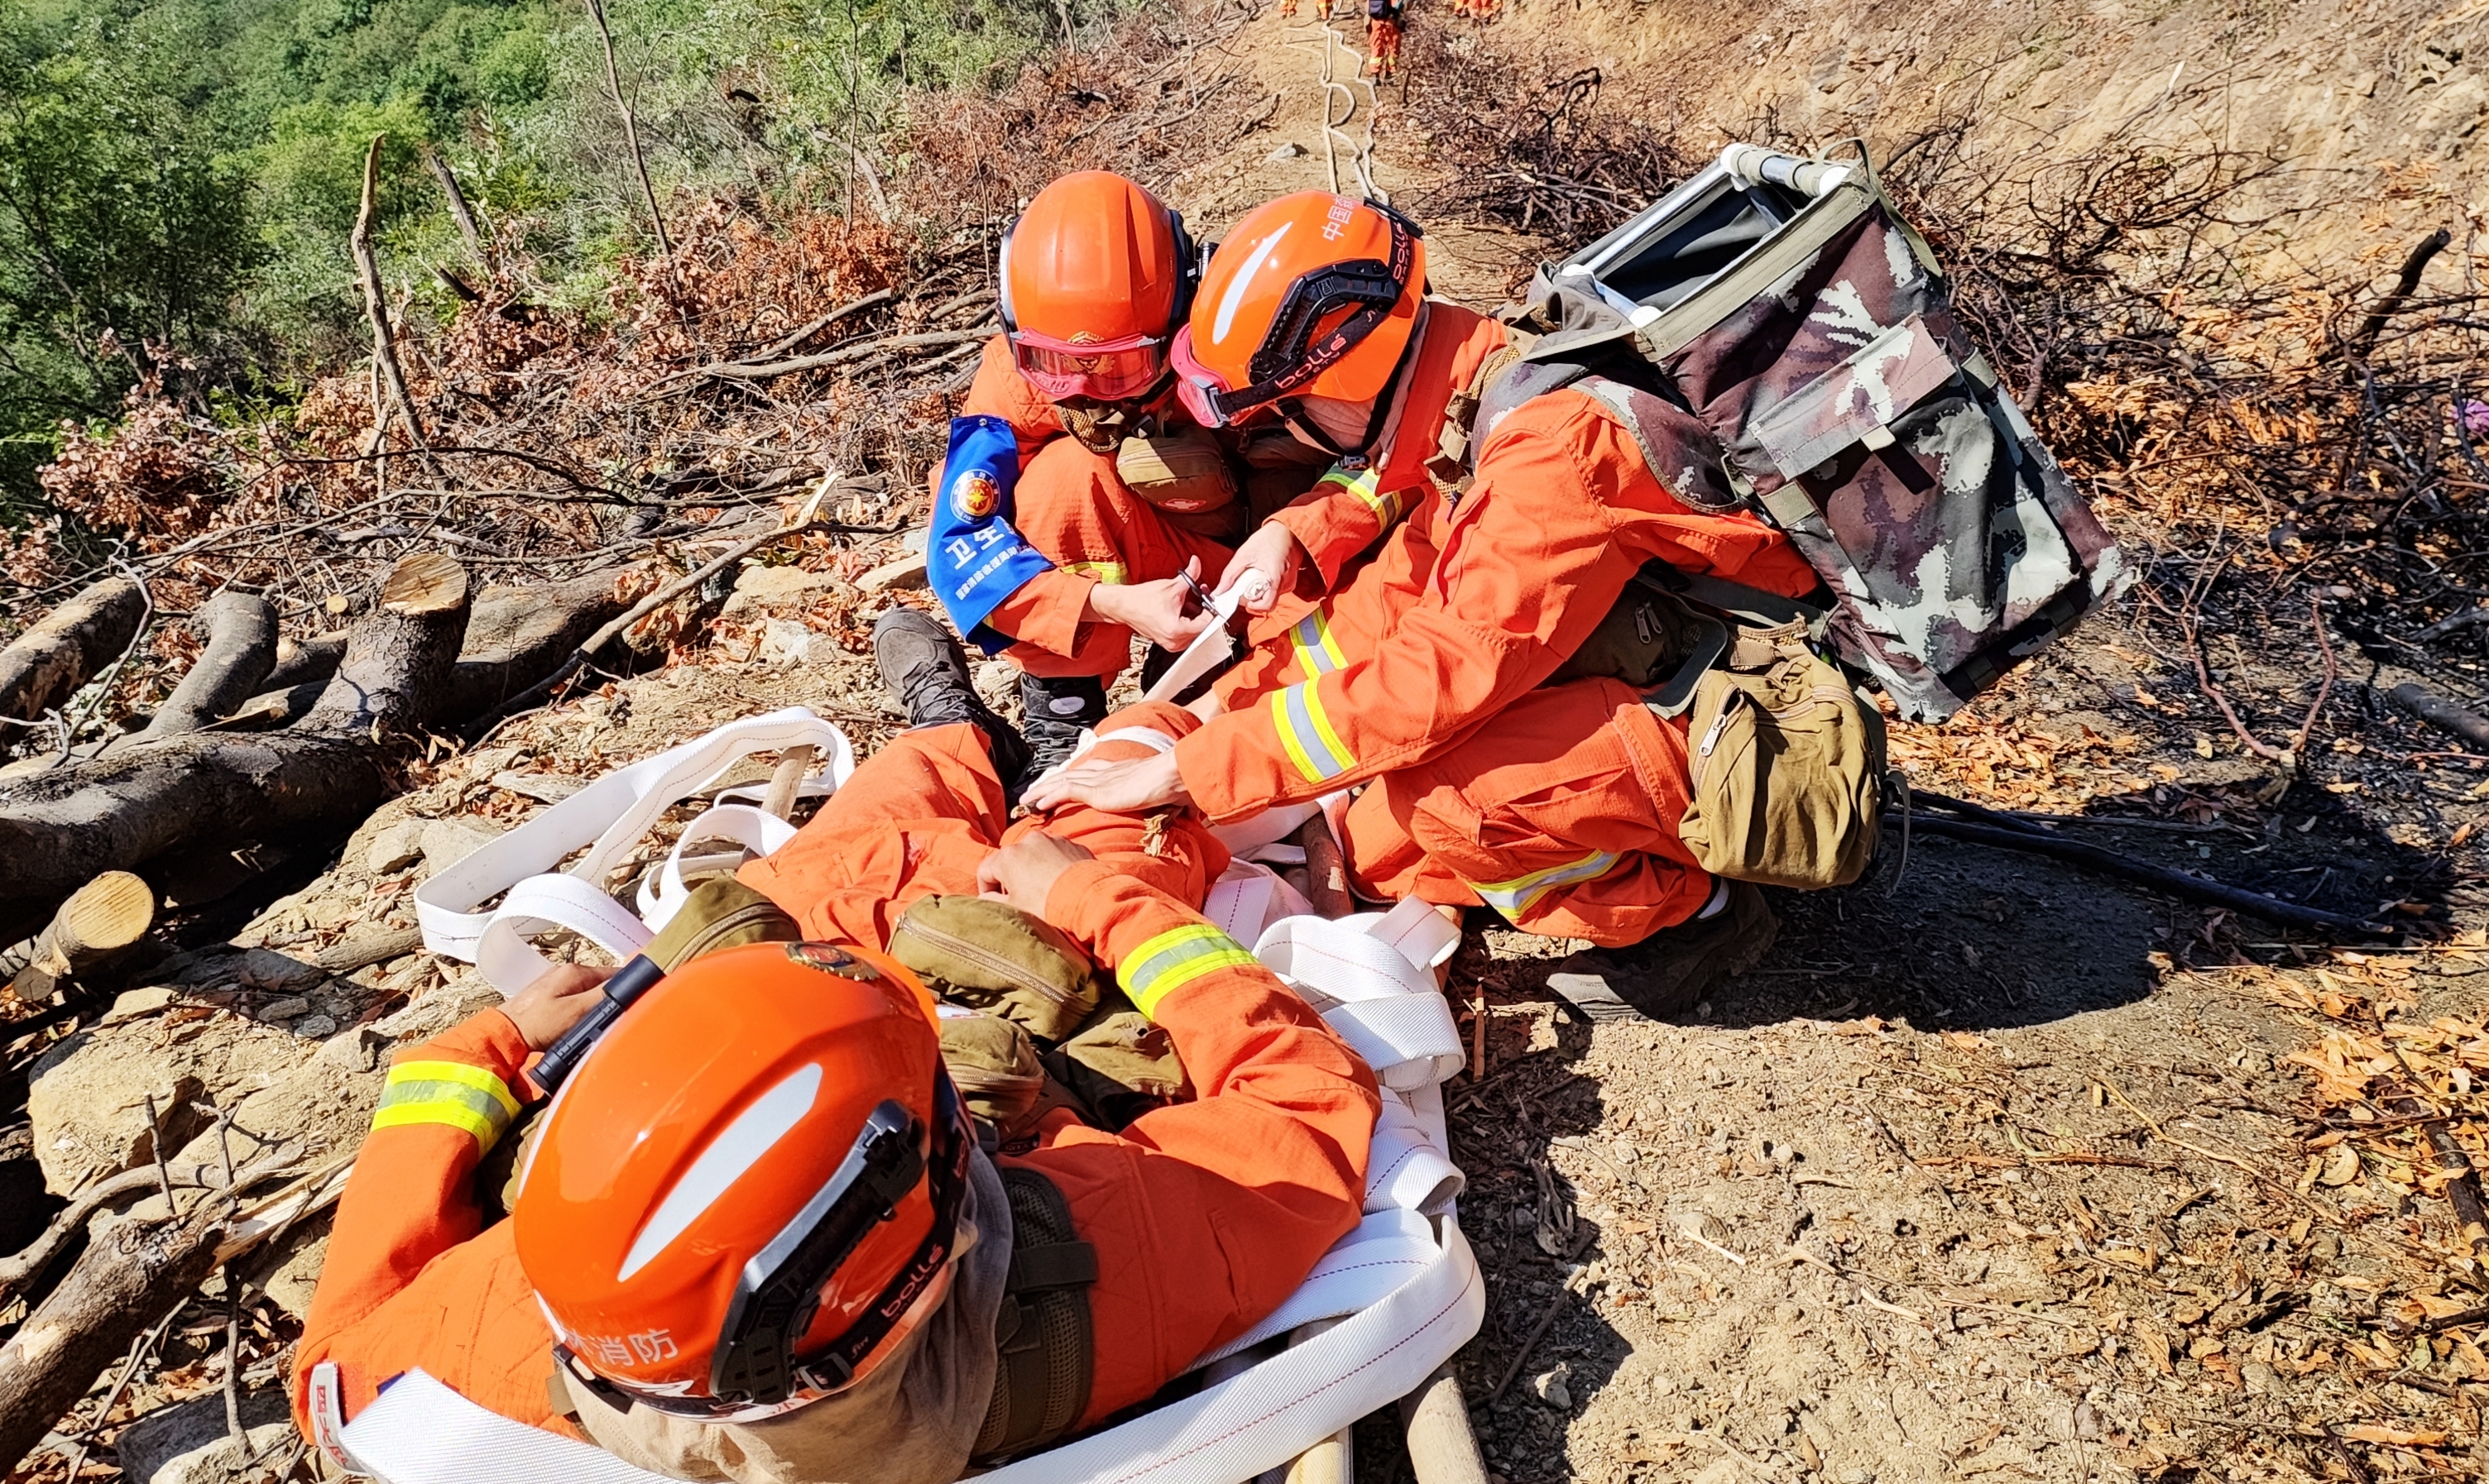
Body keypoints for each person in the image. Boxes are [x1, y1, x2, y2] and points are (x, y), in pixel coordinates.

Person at [290, 610, 1379, 1484]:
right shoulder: (1088, 1273)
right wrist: (1089, 894)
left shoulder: (462, 1363)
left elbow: (330, 1366)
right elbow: (1305, 1104)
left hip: (781, 1057)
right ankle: (1053, 758)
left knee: (852, 848)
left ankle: (952, 732)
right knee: (1077, 824)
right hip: (995, 989)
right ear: (930, 1219)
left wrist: (501, 1042)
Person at [1024, 190, 1820, 992]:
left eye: (1286, 410)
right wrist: (1216, 711)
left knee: (1445, 810)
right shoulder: (1468, 384)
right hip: (1661, 641)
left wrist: (1189, 772)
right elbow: (1397, 593)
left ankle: (1697, 916)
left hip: (1758, 712)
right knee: (1376, 846)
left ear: (1339, 381)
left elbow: (1434, 680)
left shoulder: (1546, 457)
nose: (1288, 433)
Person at [937, 170, 1232, 774]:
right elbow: (962, 543)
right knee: (1063, 479)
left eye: (1121, 366)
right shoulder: (1010, 378)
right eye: (1056, 365)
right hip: (1114, 572)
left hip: (1228, 562)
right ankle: (1063, 706)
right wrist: (1108, 603)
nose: (1088, 391)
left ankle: (1202, 664)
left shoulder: (1228, 340)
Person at [1365, 0, 1406, 81]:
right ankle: (1390, 75)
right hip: (1391, 22)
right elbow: (1397, 7)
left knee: (1376, 48)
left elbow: (1367, 6)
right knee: (1393, 50)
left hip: (1376, 22)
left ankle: (1375, 75)